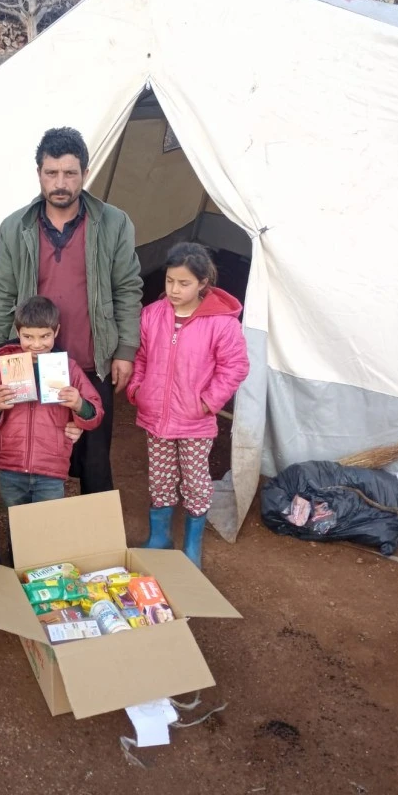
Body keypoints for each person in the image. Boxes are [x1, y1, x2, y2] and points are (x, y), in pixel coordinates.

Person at [0, 127, 142, 495]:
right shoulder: (15, 228)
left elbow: (128, 288)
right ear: (38, 173)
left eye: (70, 173)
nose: (60, 182)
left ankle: (96, 542)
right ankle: (41, 534)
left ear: (85, 174)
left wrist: (124, 351)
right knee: (38, 450)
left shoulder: (113, 223)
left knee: (95, 457)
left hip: (92, 359)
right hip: (33, 361)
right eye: (51, 172)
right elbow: (3, 294)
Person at [126, 242, 249, 569]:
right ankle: (160, 536)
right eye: (169, 281)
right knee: (161, 478)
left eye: (183, 283)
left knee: (195, 480)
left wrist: (209, 401)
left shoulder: (222, 323)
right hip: (156, 416)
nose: (174, 290)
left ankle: (192, 541)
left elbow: (235, 366)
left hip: (195, 419)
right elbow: (141, 357)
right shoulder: (152, 314)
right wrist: (138, 388)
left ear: (202, 284)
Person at [0, 296, 103, 512]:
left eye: (45, 336)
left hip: (51, 469)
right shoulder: (3, 370)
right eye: (28, 336)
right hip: (10, 466)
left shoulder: (68, 369)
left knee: (47, 526)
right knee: (18, 527)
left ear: (56, 332)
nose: (37, 344)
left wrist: (79, 404)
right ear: (17, 333)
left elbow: (96, 412)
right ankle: (15, 548)